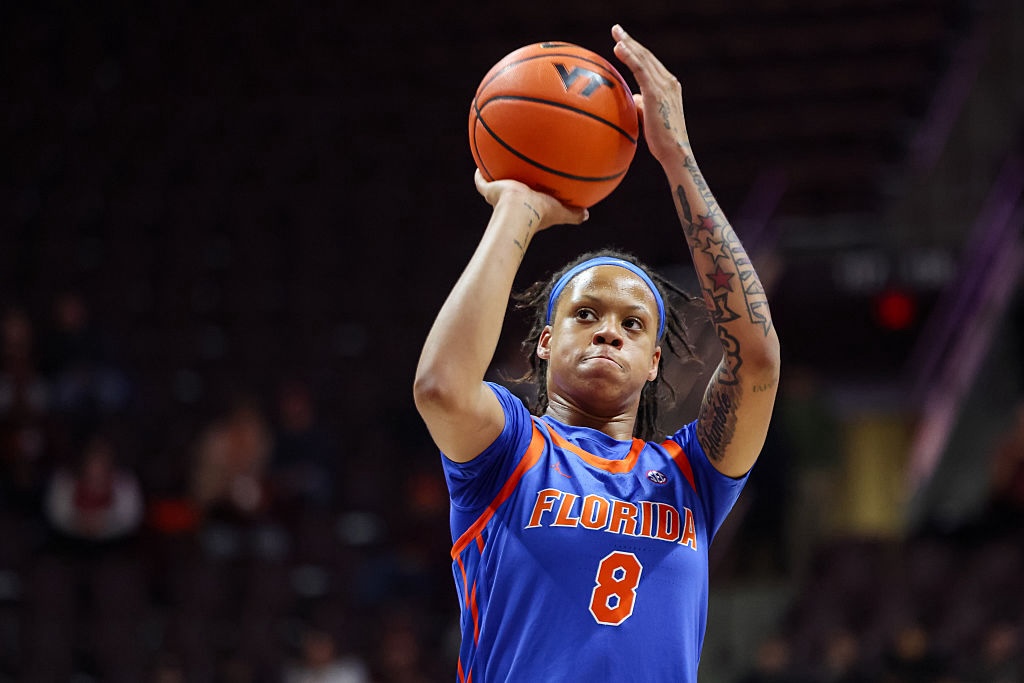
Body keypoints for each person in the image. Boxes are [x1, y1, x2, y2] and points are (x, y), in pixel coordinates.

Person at [413, 24, 780, 683]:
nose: (609, 329)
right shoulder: (508, 450)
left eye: (634, 324)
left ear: (654, 363)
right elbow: (440, 385)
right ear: (547, 342)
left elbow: (757, 360)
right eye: (584, 314)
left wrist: (678, 159)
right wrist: (517, 212)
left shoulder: (693, 472)